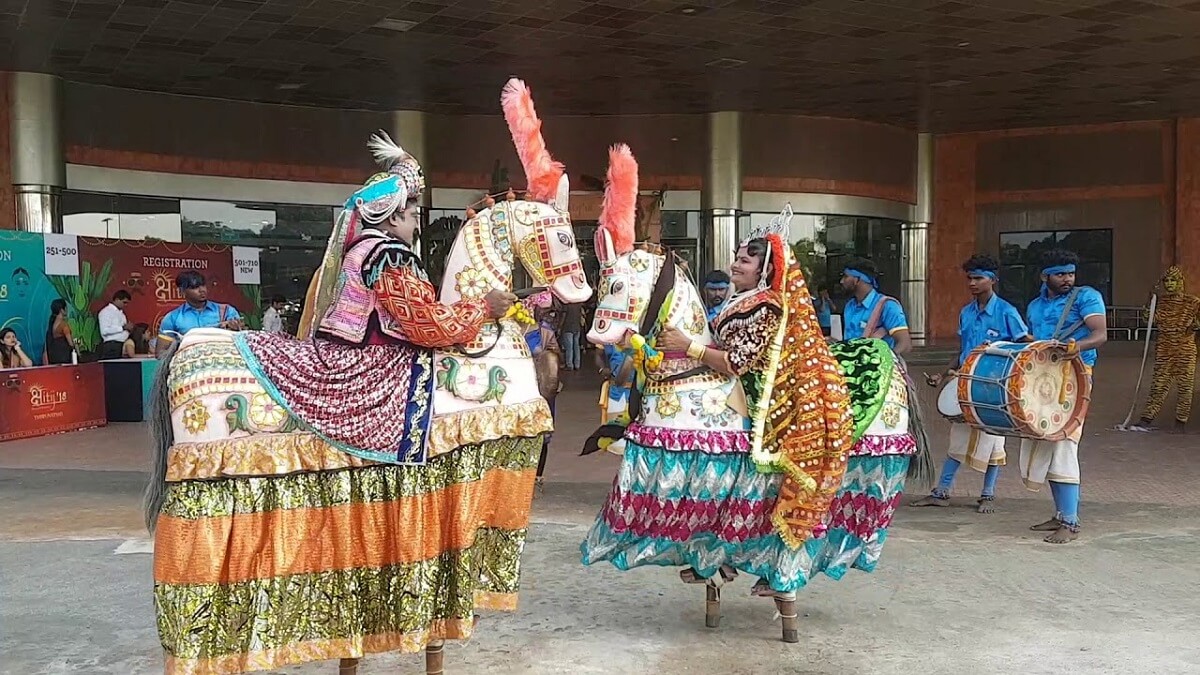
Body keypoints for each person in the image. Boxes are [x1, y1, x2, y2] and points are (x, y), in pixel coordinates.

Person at [654, 204, 854, 598]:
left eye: (745, 260)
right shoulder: (737, 299)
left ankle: (741, 557)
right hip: (735, 392)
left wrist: (687, 346)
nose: (736, 264)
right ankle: (716, 554)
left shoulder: (767, 304)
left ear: (764, 268)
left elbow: (736, 362)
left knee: (737, 474)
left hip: (765, 398)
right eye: (736, 257)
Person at [911, 254, 1031, 513]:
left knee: (993, 440)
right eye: (970, 278)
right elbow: (963, 349)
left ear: (993, 280)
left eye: (979, 278)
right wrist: (943, 375)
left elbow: (1026, 344)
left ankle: (987, 494)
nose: (973, 283)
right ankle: (941, 492)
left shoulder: (1007, 312)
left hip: (993, 386)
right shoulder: (966, 312)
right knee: (959, 437)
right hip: (965, 383)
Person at [1021, 249, 1107, 544]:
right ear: (1044, 276)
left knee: (1065, 443)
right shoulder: (1034, 306)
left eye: (1071, 273)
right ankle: (1060, 514)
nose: (1068, 279)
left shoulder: (1087, 296)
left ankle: (1070, 522)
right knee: (1048, 442)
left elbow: (1100, 333)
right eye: (1060, 274)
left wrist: (1076, 347)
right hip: (1041, 380)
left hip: (1075, 378)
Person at [1135, 266, 1200, 433]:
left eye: (1173, 280)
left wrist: (1193, 326)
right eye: (1167, 281)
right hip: (1165, 349)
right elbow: (1147, 319)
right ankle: (1147, 418)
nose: (1170, 284)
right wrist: (1150, 299)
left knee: (1185, 387)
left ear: (1180, 282)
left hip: (1185, 349)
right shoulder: (1160, 302)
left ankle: (1181, 421)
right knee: (1159, 385)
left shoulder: (1192, 303)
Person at [155, 271, 244, 356]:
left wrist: (235, 329)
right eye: (195, 287)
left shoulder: (227, 311)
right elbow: (160, 353)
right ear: (182, 291)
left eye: (203, 285)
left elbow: (242, 344)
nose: (202, 290)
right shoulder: (172, 318)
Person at [840, 257, 912, 353]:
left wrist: (887, 362)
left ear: (857, 280)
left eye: (845, 276)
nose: (841, 281)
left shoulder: (888, 306)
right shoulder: (850, 306)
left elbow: (905, 344)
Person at [98, 290, 134, 360]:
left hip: (123, 345)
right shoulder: (106, 312)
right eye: (124, 302)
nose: (125, 305)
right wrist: (123, 328)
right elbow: (104, 331)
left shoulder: (122, 314)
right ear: (117, 299)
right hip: (112, 345)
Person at [44, 298, 74, 365]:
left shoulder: (50, 327)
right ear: (62, 310)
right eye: (66, 308)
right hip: (65, 361)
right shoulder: (63, 325)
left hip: (53, 362)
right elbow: (71, 344)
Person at [559, 301, 583, 370]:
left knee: (569, 347)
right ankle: (577, 365)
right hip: (577, 327)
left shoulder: (566, 305)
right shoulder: (578, 304)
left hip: (568, 327)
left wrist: (560, 327)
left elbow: (563, 316)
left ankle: (569, 365)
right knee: (576, 346)